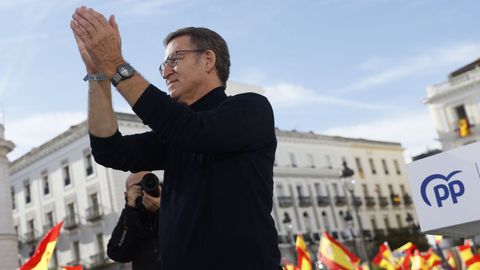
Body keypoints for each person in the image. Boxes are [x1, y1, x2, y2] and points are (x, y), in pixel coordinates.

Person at [71, 6, 281, 270]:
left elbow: (192, 131)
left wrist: (115, 64)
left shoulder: (252, 108)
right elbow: (109, 150)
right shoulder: (174, 135)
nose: (165, 72)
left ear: (207, 60)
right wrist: (98, 74)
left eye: (175, 59)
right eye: (163, 64)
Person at [107, 172, 161, 270]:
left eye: (147, 182)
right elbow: (116, 253)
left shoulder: (171, 209)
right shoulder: (131, 219)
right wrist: (130, 208)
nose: (144, 189)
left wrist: (163, 208)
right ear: (126, 194)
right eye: (137, 187)